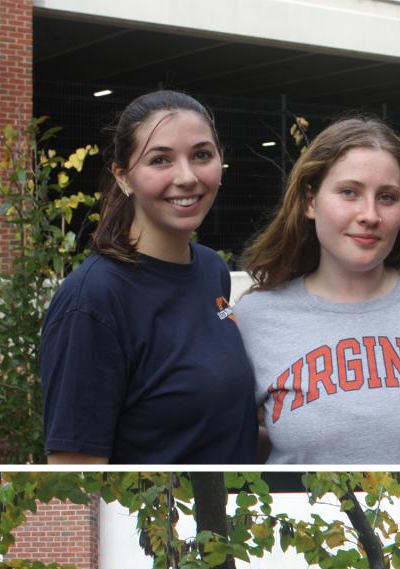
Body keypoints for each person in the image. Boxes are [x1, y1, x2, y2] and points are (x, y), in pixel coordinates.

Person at [233, 116, 400, 463]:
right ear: (310, 201)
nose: (370, 214)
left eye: (387, 197)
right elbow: (227, 443)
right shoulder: (255, 318)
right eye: (349, 192)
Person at [41, 90, 255, 464]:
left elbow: (218, 431)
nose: (187, 177)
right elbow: (76, 470)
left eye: (202, 155)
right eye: (160, 160)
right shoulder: (93, 301)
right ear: (123, 178)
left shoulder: (210, 269)